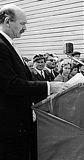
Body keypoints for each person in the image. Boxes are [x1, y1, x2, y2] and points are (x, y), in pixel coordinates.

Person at [0, 4, 69, 160]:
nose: (25, 28)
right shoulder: (1, 45)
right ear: (7, 21)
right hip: (9, 126)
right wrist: (49, 86)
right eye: (22, 24)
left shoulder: (8, 44)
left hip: (20, 123)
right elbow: (10, 84)